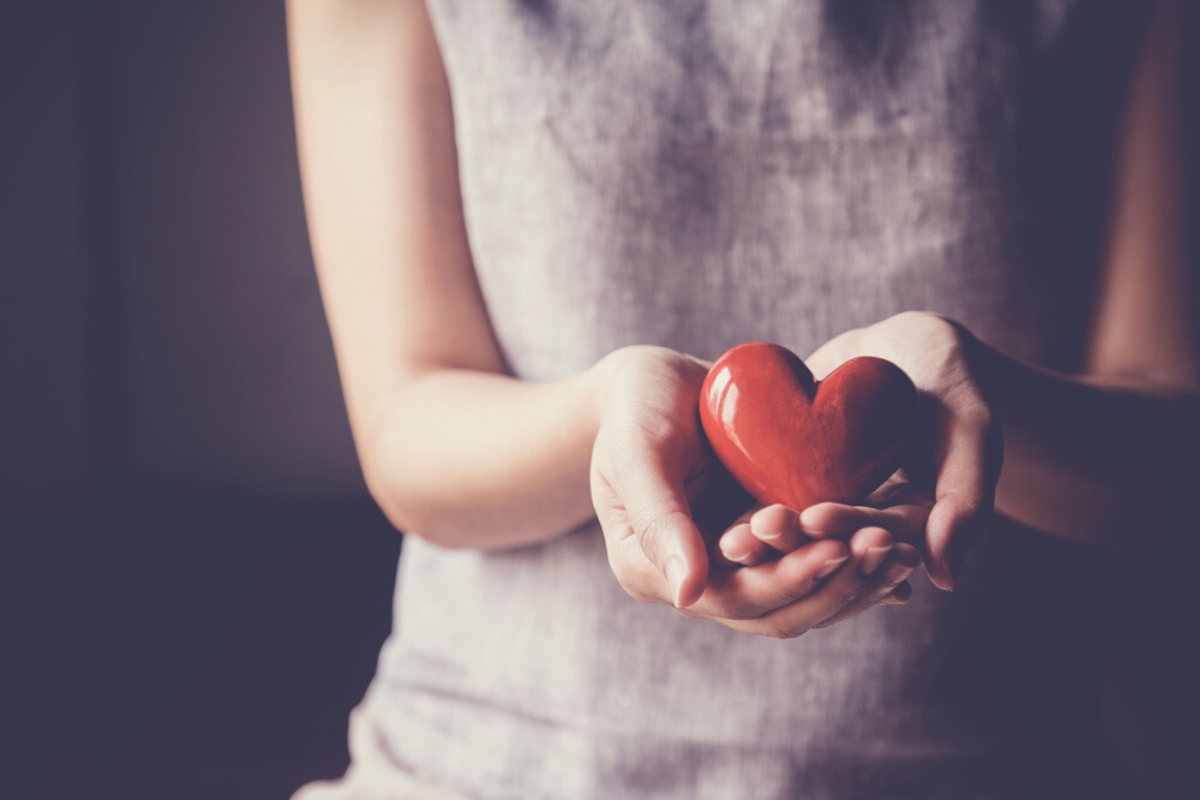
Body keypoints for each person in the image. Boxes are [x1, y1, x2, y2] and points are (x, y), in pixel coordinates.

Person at [286, 0, 1198, 797]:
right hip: (487, 767)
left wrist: (981, 402)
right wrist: (606, 417)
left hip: (994, 772)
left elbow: (1171, 474)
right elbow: (407, 429)